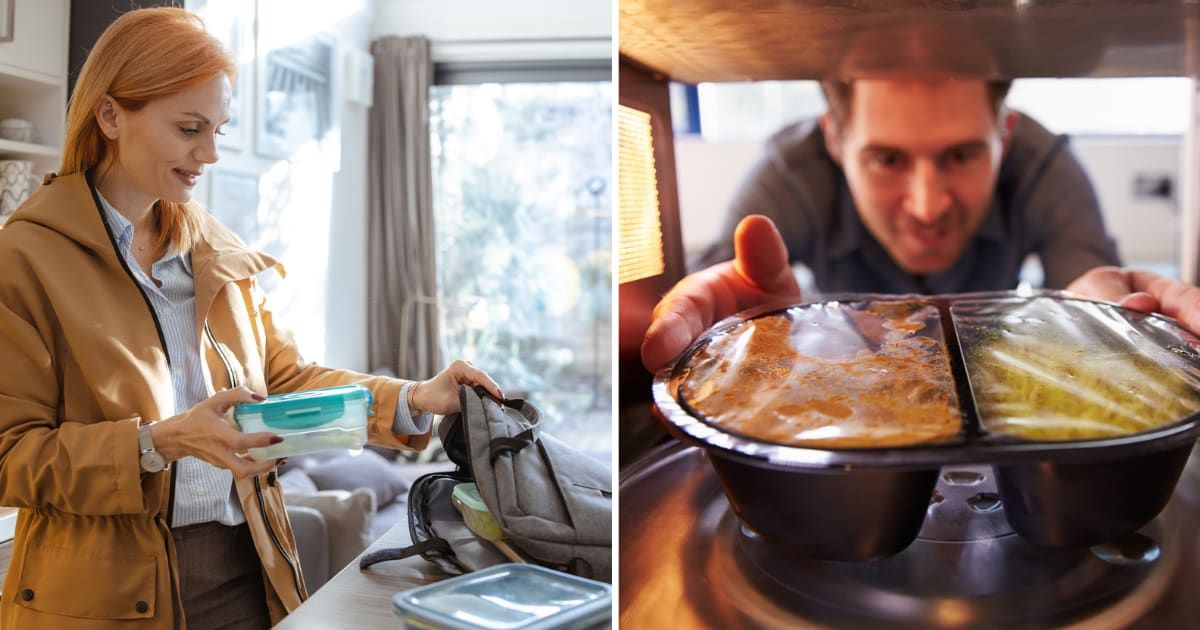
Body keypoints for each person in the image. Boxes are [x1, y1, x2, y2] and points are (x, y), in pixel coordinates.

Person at [0, 8, 502, 629]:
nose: (209, 153)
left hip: (245, 569)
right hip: (96, 596)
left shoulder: (214, 251)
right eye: (189, 128)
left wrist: (415, 397)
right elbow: (11, 457)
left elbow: (286, 381)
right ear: (110, 116)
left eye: (218, 129)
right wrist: (161, 442)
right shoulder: (26, 258)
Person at [642, 78, 1200, 371]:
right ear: (835, 140)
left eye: (962, 155)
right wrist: (741, 333)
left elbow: (1089, 286)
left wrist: (1102, 319)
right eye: (888, 159)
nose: (928, 206)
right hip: (855, 378)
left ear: (1004, 137)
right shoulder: (791, 175)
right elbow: (723, 289)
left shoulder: (1042, 165)